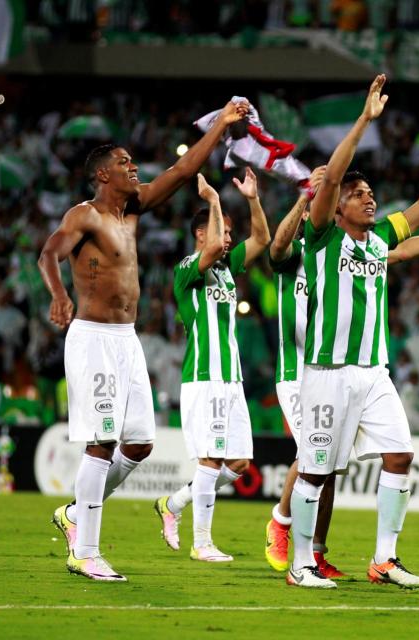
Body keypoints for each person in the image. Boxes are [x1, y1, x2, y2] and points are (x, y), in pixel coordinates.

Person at [285, 74, 419, 589]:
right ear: (338, 206)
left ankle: (384, 559)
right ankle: (301, 565)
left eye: (371, 193)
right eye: (359, 195)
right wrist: (364, 120)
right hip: (327, 372)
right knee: (315, 471)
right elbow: (329, 179)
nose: (369, 200)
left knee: (401, 455)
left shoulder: (377, 241)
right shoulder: (322, 235)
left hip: (373, 372)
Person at [38, 100, 249, 582]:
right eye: (123, 163)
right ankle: (86, 551)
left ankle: (75, 514)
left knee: (139, 445)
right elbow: (48, 254)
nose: (133, 167)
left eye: (133, 162)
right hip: (92, 336)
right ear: (101, 176)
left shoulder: (132, 210)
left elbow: (181, 170)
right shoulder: (85, 216)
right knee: (102, 442)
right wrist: (58, 296)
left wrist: (219, 126)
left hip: (126, 339)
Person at [153, 168, 270, 560]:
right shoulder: (188, 269)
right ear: (202, 234)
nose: (230, 238)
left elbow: (264, 240)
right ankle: (201, 544)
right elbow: (214, 249)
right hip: (205, 377)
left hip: (231, 380)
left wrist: (252, 198)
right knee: (212, 458)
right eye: (222, 229)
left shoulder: (225, 269)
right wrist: (215, 201)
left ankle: (175, 504)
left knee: (239, 462)